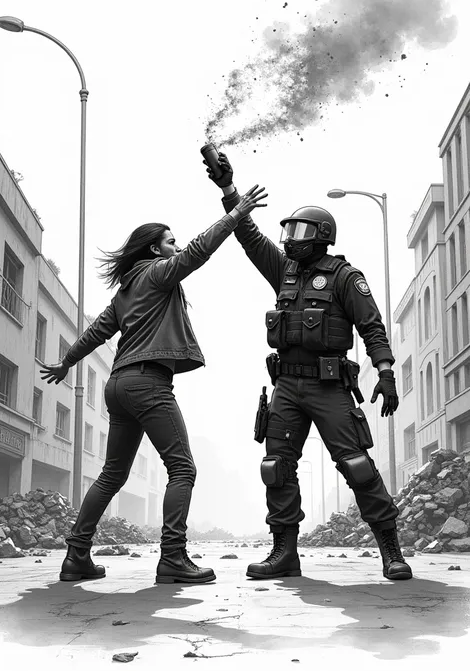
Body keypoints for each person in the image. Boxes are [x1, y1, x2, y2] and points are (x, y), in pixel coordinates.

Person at [40, 181, 267, 584]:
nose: (176, 248)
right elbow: (199, 251)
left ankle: (76, 557)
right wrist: (236, 214)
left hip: (118, 386)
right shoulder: (159, 275)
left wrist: (66, 363)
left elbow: (97, 333)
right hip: (147, 382)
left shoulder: (125, 292)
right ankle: (173, 558)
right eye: (170, 242)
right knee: (183, 468)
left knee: (112, 473)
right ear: (154, 249)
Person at [203, 152, 412, 582]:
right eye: (288, 230)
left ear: (322, 236)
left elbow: (372, 327)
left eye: (299, 231)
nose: (289, 239)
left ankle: (391, 550)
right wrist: (228, 188)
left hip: (329, 387)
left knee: (355, 465)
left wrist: (387, 372)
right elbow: (247, 235)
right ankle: (284, 552)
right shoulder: (285, 271)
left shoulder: (343, 277)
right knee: (276, 467)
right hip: (286, 388)